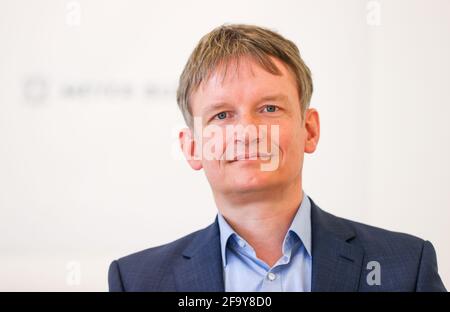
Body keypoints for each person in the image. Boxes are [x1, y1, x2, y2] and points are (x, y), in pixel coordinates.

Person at [108, 24, 446, 292]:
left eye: (269, 108)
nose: (248, 132)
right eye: (222, 116)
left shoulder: (405, 266)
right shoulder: (137, 281)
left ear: (309, 130)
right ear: (193, 147)